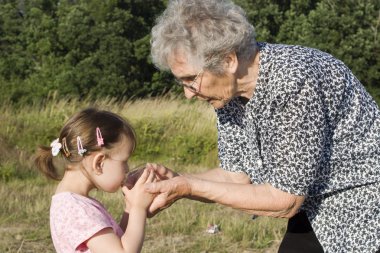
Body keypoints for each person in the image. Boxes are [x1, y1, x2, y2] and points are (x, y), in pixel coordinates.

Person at [133, 0, 380, 252]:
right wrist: (177, 181)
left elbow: (284, 200)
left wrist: (189, 186)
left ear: (228, 60)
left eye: (190, 80)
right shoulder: (228, 92)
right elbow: (237, 175)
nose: (188, 94)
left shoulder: (294, 82)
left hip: (364, 208)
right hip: (316, 207)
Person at [35, 108, 156, 253]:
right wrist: (139, 208)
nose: (127, 168)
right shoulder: (76, 210)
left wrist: (130, 208)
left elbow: (117, 243)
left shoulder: (74, 203)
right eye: (124, 161)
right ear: (99, 163)